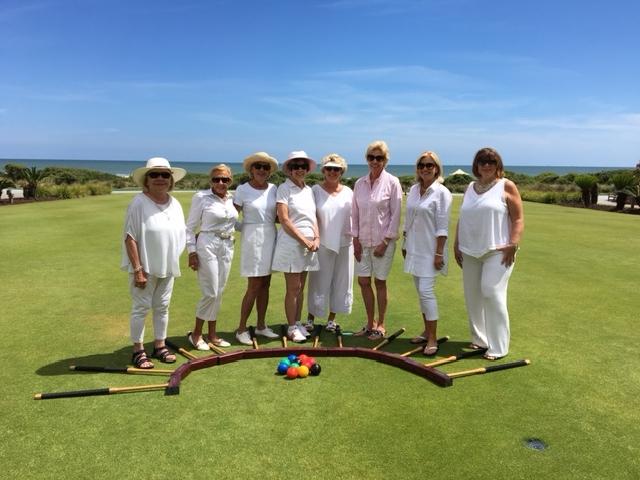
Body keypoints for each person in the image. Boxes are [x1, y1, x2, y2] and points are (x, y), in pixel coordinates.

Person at [454, 147, 524, 360]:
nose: (486, 165)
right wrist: (457, 243)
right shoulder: (470, 187)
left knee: (492, 293)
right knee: (472, 296)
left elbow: (518, 218)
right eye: (482, 161)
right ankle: (480, 339)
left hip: (498, 250)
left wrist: (513, 243)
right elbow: (463, 217)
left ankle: (499, 346)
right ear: (476, 165)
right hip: (469, 250)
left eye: (491, 162)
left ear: (498, 165)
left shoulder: (507, 186)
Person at [121, 157, 187, 369]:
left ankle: (159, 345)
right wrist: (138, 269)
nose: (160, 178)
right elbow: (130, 237)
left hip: (167, 266)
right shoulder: (138, 203)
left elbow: (180, 234)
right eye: (154, 175)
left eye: (165, 175)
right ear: (146, 180)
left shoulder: (175, 203)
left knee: (162, 307)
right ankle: (138, 350)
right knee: (141, 308)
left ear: (171, 180)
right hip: (145, 268)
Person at [402, 151, 452, 356]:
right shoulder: (414, 189)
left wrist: (439, 254)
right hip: (414, 248)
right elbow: (409, 219)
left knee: (426, 292)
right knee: (420, 293)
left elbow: (442, 227)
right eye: (422, 165)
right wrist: (405, 243)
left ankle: (432, 338)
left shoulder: (442, 192)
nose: (425, 168)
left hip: (431, 251)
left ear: (437, 168)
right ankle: (425, 331)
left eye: (429, 165)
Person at [351, 140, 402, 340]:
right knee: (363, 281)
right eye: (371, 157)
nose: (375, 161)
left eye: (379, 158)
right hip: (362, 241)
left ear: (385, 160)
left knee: (380, 282)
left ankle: (380, 324)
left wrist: (385, 241)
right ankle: (369, 323)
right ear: (367, 159)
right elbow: (354, 214)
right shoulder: (359, 183)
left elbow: (395, 215)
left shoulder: (393, 182)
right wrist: (355, 239)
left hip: (383, 243)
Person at [185, 164, 238, 350]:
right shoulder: (201, 197)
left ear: (230, 180)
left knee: (219, 291)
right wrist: (191, 252)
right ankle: (196, 334)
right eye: (216, 179)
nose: (220, 182)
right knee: (211, 291)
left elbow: (234, 223)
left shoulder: (232, 199)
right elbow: (190, 228)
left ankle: (213, 334)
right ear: (211, 181)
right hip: (207, 245)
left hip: (228, 246)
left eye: (225, 179)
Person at [271, 151, 320, 343]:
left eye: (303, 166)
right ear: (289, 170)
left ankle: (298, 323)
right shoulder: (284, 188)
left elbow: (313, 217)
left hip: (309, 245)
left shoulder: (309, 190)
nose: (299, 169)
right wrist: (304, 241)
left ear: (307, 169)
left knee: (301, 288)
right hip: (292, 244)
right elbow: (284, 219)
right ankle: (291, 327)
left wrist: (316, 237)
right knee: (293, 288)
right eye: (295, 166)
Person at [233, 152, 281, 345]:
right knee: (253, 286)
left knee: (265, 284)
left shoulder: (273, 188)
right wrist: (243, 228)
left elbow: (277, 216)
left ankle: (261, 326)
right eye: (258, 166)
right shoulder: (242, 189)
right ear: (251, 169)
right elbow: (231, 215)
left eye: (265, 167)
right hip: (252, 239)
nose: (262, 170)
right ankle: (242, 328)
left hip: (270, 236)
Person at [306, 154, 354, 332]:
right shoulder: (315, 191)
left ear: (341, 171)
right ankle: (310, 318)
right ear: (323, 170)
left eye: (337, 169)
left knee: (341, 281)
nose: (333, 172)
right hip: (322, 243)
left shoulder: (349, 192)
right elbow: (309, 216)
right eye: (329, 168)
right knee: (318, 282)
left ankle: (331, 320)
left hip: (345, 243)